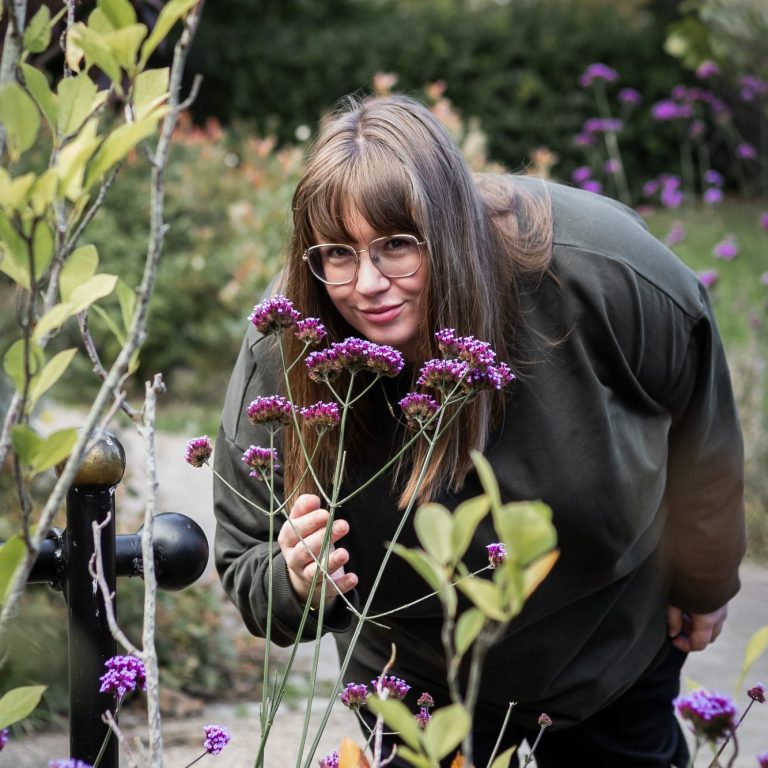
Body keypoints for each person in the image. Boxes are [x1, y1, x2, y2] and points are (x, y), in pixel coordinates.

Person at [213, 94, 745, 767]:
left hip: (605, 648)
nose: (368, 283)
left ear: (453, 231)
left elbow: (700, 418)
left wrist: (705, 578)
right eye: (338, 254)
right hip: (415, 682)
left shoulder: (600, 272)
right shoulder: (288, 351)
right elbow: (244, 562)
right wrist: (296, 584)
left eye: (399, 246)